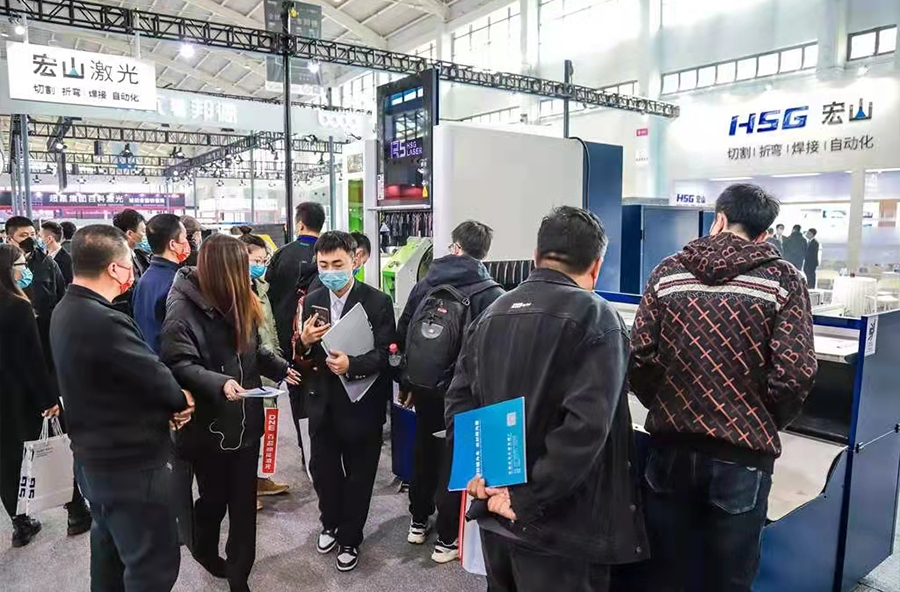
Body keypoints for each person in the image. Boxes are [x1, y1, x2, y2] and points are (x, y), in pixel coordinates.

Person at [446, 206, 647, 592]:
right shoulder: (598, 318)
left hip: (496, 513)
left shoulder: (492, 312)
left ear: (536, 256)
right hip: (562, 527)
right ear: (596, 266)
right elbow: (585, 428)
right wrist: (526, 497)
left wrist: (478, 474)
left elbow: (459, 400)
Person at [629, 184, 817, 592]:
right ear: (764, 234)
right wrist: (762, 419)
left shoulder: (668, 272)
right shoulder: (784, 280)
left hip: (670, 447)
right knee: (729, 579)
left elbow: (639, 355)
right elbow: (796, 372)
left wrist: (665, 403)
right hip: (742, 456)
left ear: (718, 219)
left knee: (665, 573)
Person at [50, 224, 195, 592]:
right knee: (151, 566)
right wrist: (180, 400)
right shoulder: (105, 321)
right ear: (114, 268)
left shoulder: (65, 309)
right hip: (130, 468)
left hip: (93, 462)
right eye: (129, 263)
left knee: (110, 556)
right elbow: (157, 378)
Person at [160, 234, 300, 592]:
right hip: (209, 427)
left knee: (243, 505)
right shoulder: (182, 306)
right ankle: (204, 550)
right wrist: (219, 383)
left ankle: (240, 576)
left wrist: (281, 368)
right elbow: (178, 362)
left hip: (246, 423)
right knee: (213, 500)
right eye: (244, 265)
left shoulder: (242, 297)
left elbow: (253, 350)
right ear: (224, 270)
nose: (251, 272)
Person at [397, 220, 504, 563]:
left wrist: (407, 381)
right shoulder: (492, 294)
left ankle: (417, 521)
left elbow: (404, 330)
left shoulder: (426, 282)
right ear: (484, 253)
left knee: (424, 450)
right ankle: (446, 539)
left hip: (426, 388)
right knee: (455, 460)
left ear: (455, 246)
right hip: (465, 394)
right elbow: (491, 352)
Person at [298, 231, 397, 572]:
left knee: (359, 476)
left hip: (362, 404)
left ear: (354, 260)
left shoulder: (377, 301)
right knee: (323, 472)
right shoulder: (312, 299)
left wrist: (351, 365)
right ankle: (330, 523)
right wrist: (305, 342)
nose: (330, 271)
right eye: (323, 265)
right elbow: (301, 355)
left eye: (337, 264)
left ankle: (350, 537)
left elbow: (386, 354)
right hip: (323, 402)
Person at [0, 243, 61, 548]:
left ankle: (20, 522)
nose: (25, 271)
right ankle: (74, 506)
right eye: (20, 265)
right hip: (21, 394)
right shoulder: (18, 306)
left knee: (5, 460)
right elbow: (34, 359)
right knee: (49, 446)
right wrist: (49, 398)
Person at [266, 202, 325, 460]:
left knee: (297, 388)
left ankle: (306, 449)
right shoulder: (328, 253)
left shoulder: (282, 254)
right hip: (323, 335)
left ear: (299, 224)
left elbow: (269, 293)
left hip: (287, 337)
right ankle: (322, 447)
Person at [238, 233, 292, 503]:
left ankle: (258, 479)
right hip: (249, 371)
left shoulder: (261, 287)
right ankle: (245, 488)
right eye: (255, 261)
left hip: (269, 366)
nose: (260, 266)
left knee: (264, 427)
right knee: (247, 430)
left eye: (263, 261)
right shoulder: (235, 292)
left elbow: (269, 327)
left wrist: (278, 359)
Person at [5, 217, 66, 365]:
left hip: (43, 332)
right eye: (23, 235)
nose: (30, 239)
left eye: (33, 234)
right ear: (9, 239)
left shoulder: (48, 263)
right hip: (12, 335)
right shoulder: (3, 265)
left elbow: (61, 295)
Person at [133, 214, 191, 355]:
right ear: (173, 244)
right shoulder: (176, 282)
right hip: (166, 362)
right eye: (185, 238)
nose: (187, 242)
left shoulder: (144, 280)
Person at [40, 221, 74, 285]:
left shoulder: (67, 261)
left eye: (40, 236)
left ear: (49, 239)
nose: (39, 239)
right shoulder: (43, 257)